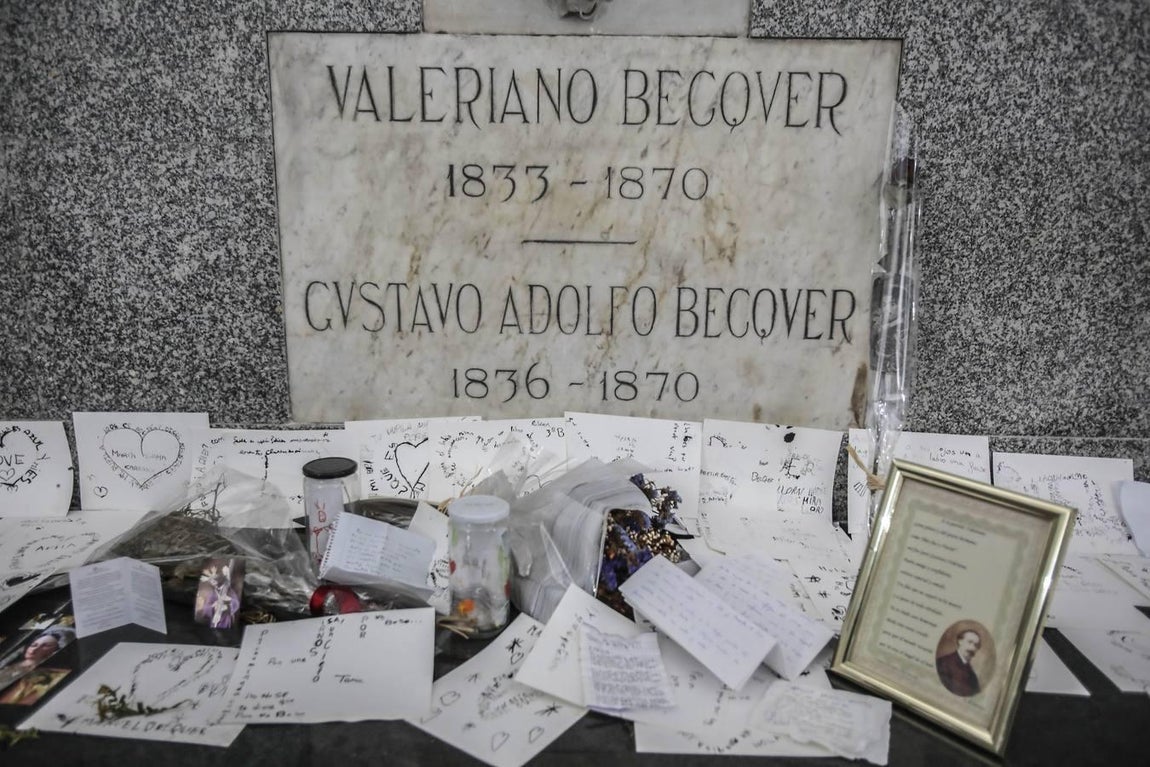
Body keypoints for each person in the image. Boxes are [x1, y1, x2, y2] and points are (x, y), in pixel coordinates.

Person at [936, 628, 982, 696]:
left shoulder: (972, 675)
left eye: (976, 645)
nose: (972, 648)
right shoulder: (943, 663)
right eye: (969, 642)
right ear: (960, 641)